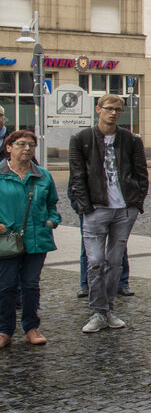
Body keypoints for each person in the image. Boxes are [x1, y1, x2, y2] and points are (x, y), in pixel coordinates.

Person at [69, 94, 148, 334]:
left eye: (117, 110)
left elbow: (141, 174)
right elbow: (77, 176)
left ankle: (108, 309)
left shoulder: (131, 139)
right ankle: (98, 311)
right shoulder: (81, 138)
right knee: (95, 262)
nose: (113, 113)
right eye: (109, 109)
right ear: (98, 110)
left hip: (124, 210)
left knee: (114, 263)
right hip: (96, 209)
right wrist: (84, 207)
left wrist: (135, 204)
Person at [0, 131, 61, 348]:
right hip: (6, 240)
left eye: (31, 145)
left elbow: (53, 205)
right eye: (22, 144)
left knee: (30, 285)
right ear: (9, 147)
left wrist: (51, 221)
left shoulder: (43, 175)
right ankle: (4, 330)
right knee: (5, 286)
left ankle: (31, 327)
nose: (27, 148)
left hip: (37, 240)